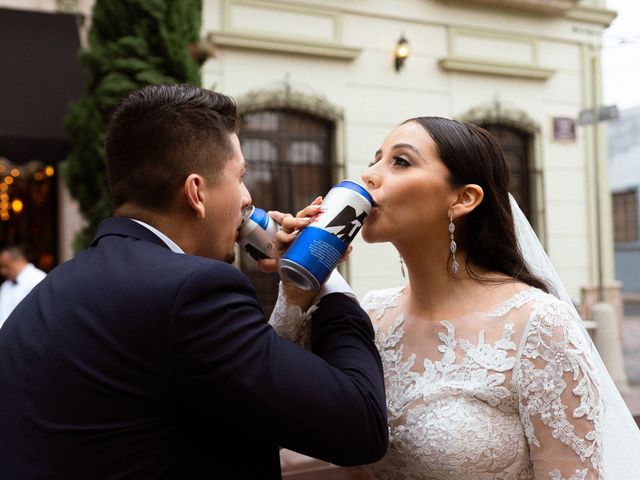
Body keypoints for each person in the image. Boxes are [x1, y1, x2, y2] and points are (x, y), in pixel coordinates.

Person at [0, 84, 388, 479]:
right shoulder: (191, 293)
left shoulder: (59, 284)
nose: (247, 199)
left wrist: (293, 287)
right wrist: (322, 270)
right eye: (241, 177)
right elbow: (361, 425)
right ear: (196, 193)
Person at [271, 116, 640, 479]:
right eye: (375, 160)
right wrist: (297, 288)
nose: (369, 175)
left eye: (400, 161)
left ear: (464, 198)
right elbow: (273, 400)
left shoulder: (539, 324)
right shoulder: (369, 314)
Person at [0, 245, 46, 328]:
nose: (2, 271)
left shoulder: (39, 280)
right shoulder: (5, 286)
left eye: (6, 266)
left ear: (19, 261)